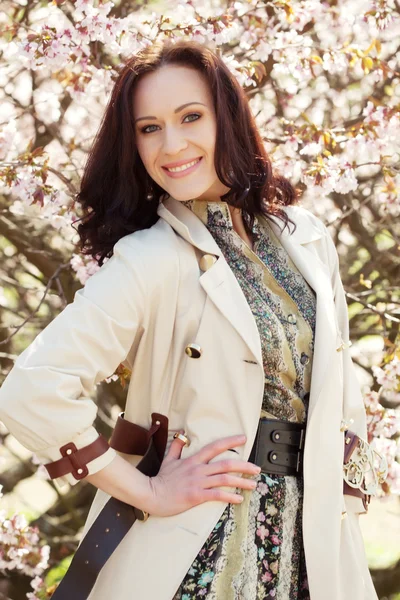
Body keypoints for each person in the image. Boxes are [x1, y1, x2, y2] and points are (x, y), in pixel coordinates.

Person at [0, 39, 379, 600]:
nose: (170, 144)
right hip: (202, 549)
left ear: (228, 117)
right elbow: (33, 390)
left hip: (314, 546)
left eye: (191, 117)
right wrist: (147, 492)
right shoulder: (150, 258)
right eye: (149, 127)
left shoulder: (305, 237)